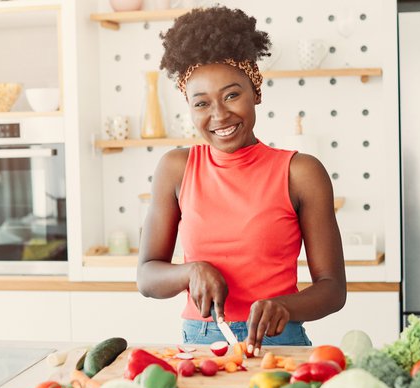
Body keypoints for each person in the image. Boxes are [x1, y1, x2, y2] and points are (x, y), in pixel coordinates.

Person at [137, 6, 346, 355]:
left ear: (256, 92)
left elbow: (333, 289)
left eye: (232, 95)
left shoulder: (301, 173)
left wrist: (285, 306)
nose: (219, 115)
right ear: (189, 107)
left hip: (279, 344)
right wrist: (191, 272)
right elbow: (146, 277)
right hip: (200, 346)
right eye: (202, 103)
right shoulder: (175, 168)